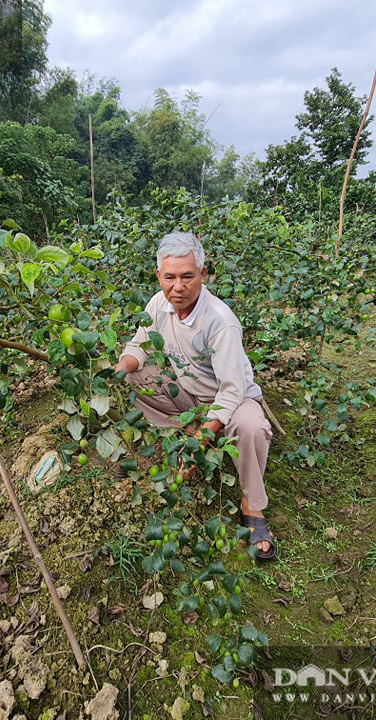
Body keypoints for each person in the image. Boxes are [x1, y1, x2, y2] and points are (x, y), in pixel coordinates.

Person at [115, 231, 277, 561]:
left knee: (252, 428)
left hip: (230, 401)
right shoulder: (158, 305)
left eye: (188, 276)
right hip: (188, 395)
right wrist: (120, 368)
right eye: (170, 277)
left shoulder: (219, 321)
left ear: (203, 275)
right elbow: (140, 345)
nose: (178, 286)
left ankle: (252, 504)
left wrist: (199, 444)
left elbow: (232, 390)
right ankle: (190, 430)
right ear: (158, 275)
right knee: (132, 377)